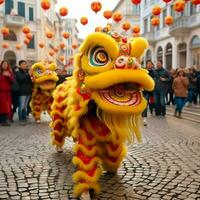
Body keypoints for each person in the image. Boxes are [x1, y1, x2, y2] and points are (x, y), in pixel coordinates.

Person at [16, 60, 33, 125]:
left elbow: (29, 82)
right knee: (21, 106)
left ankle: (24, 118)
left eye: (25, 64)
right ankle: (21, 119)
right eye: (23, 64)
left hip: (28, 92)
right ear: (20, 65)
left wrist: (31, 79)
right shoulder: (18, 72)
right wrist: (28, 75)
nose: (24, 65)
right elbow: (21, 79)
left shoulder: (26, 72)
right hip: (22, 92)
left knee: (25, 106)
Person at [0, 60, 14, 126]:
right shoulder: (0, 72)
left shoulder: (9, 72)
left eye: (6, 64)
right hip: (1, 92)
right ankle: (2, 121)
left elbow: (12, 81)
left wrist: (8, 76)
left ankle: (4, 120)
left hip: (7, 93)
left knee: (6, 106)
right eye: (4, 64)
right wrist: (3, 75)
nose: (5, 65)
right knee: (2, 106)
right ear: (1, 65)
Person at [142, 60, 155, 126]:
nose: (149, 65)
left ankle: (144, 119)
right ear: (146, 65)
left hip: (148, 91)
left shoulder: (154, 72)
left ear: (152, 65)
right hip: (141, 90)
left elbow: (154, 82)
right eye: (148, 64)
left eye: (150, 64)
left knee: (145, 104)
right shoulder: (143, 71)